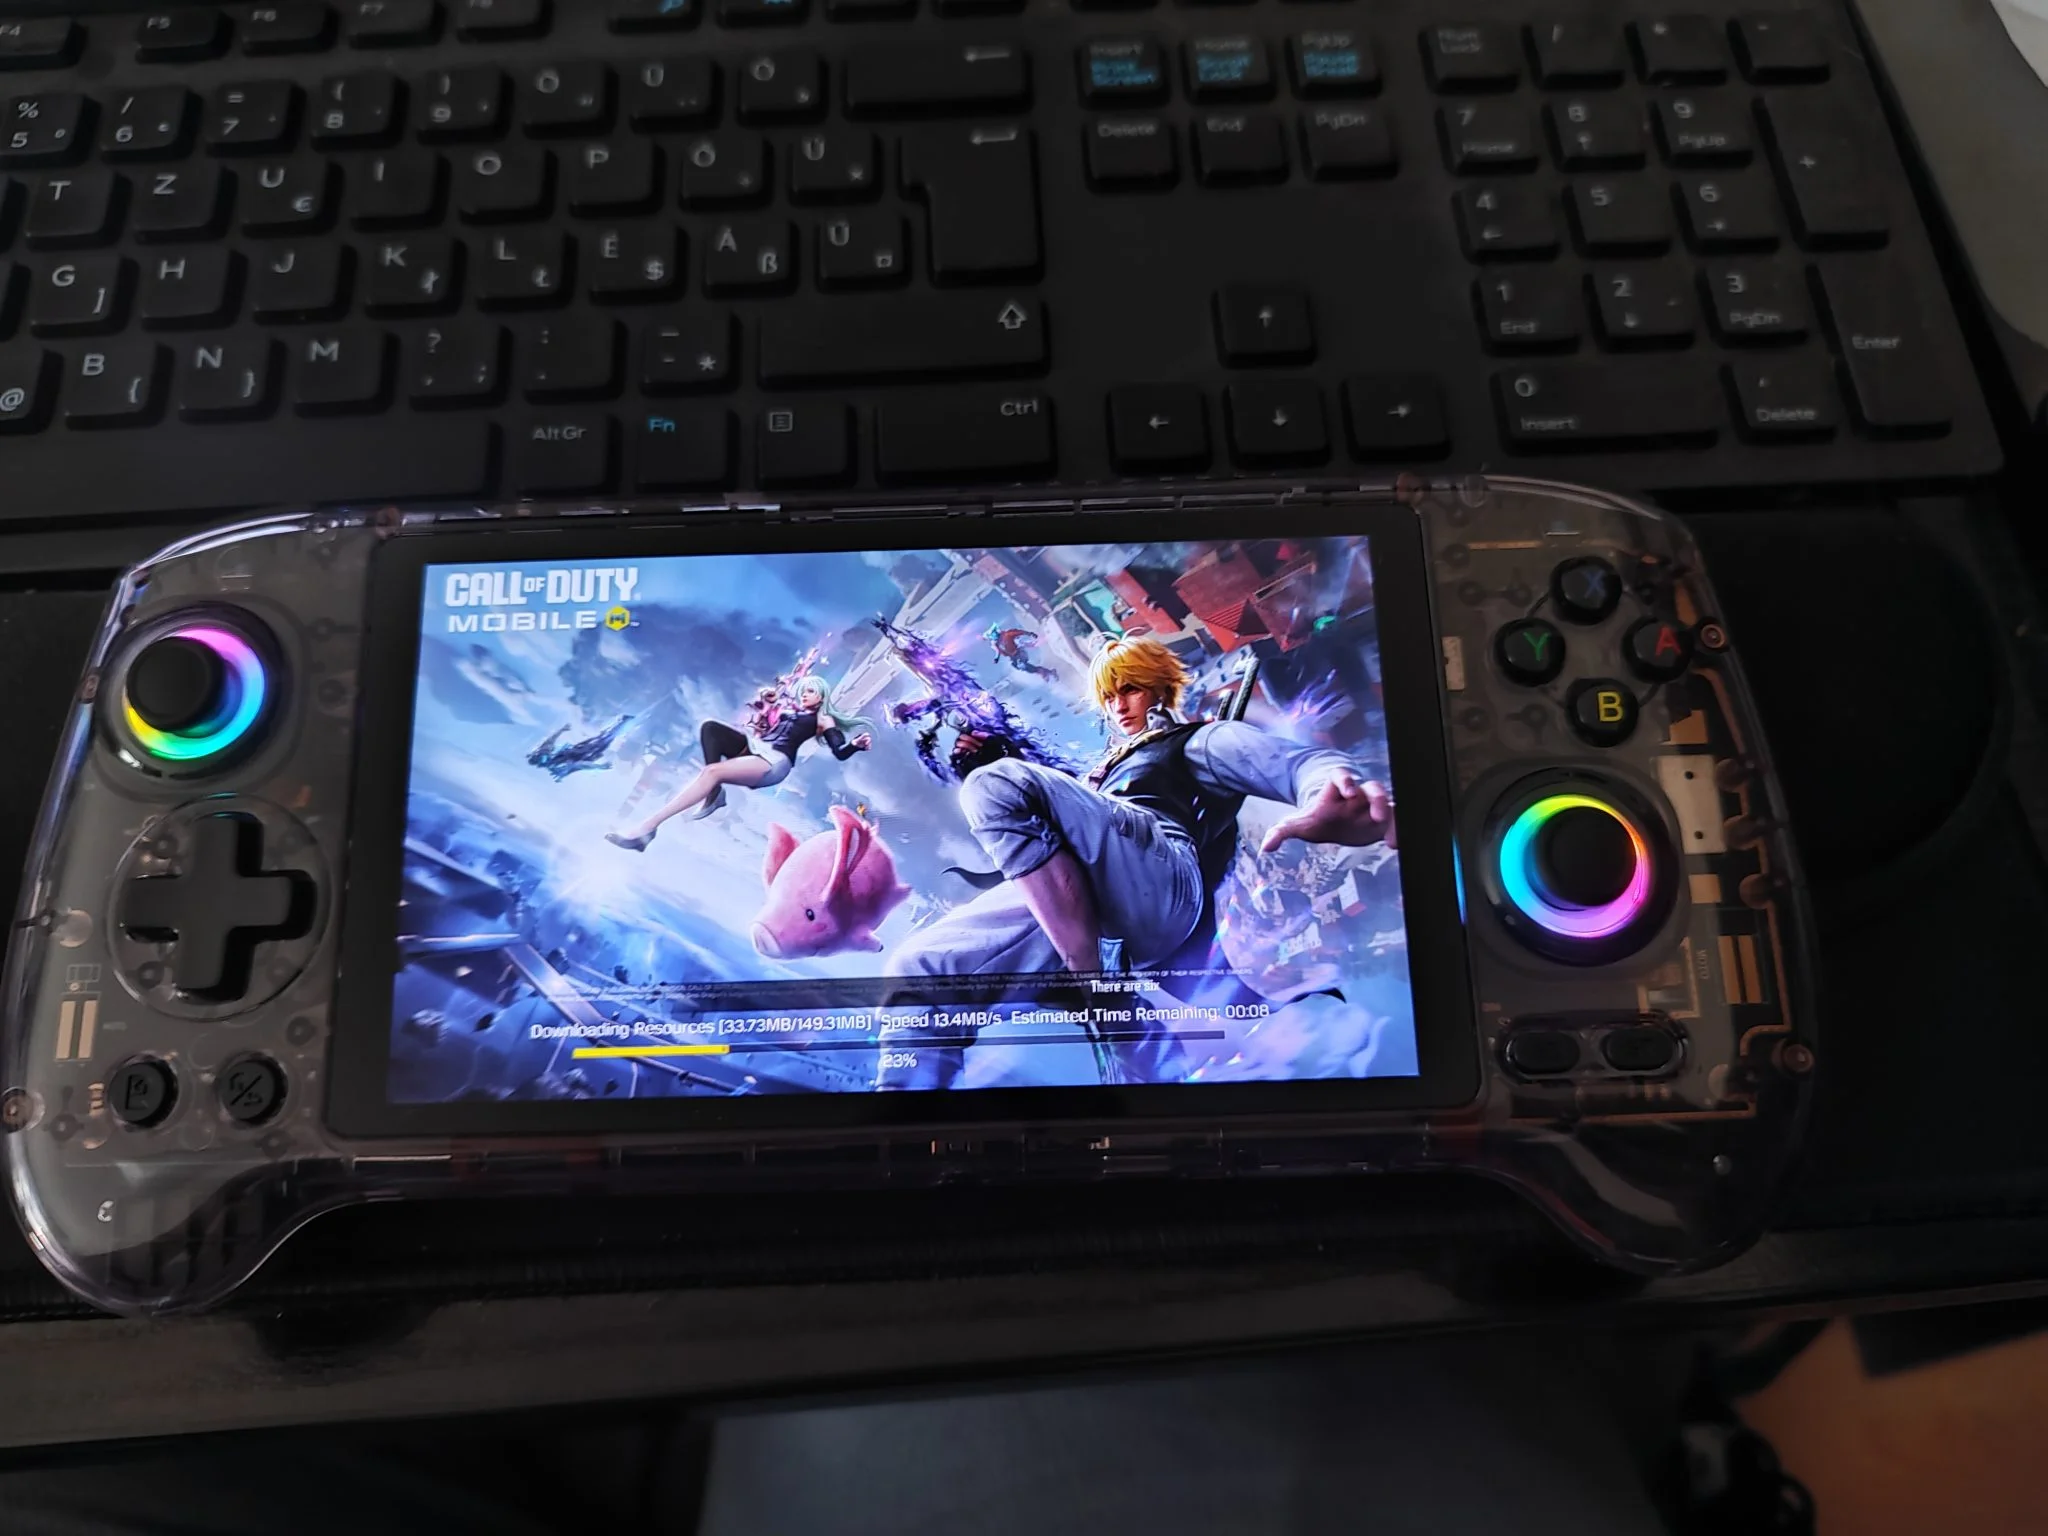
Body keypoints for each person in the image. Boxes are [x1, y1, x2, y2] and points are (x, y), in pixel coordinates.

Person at [881, 636, 1394, 1084]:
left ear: (1160, 689)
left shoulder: (1194, 742)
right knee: (916, 970)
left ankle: (1096, 986)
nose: (1118, 705)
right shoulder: (1101, 773)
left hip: (1160, 876)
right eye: (1109, 696)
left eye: (1130, 689)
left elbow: (1301, 764)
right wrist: (990, 761)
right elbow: (1045, 822)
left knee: (994, 785)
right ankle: (903, 1120)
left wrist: (1331, 790)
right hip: (1088, 904)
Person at [606, 676, 872, 851]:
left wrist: (856, 745)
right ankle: (713, 793)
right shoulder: (790, 711)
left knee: (712, 771)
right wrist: (765, 709)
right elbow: (763, 727)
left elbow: (840, 751)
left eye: (810, 691)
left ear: (822, 695)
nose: (804, 695)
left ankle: (647, 829)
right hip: (757, 749)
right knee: (710, 728)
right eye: (803, 691)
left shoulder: (823, 720)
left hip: (774, 763)